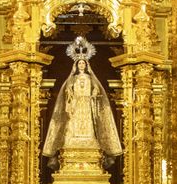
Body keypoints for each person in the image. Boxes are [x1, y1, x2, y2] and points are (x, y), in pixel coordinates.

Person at [42, 37, 122, 165]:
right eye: (79, 63)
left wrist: (94, 94)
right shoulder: (72, 80)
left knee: (88, 124)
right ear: (76, 65)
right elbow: (67, 92)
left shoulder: (91, 79)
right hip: (76, 105)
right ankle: (73, 141)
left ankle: (90, 140)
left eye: (83, 63)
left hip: (87, 104)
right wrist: (69, 94)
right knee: (73, 124)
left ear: (87, 65)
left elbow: (96, 89)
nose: (81, 65)